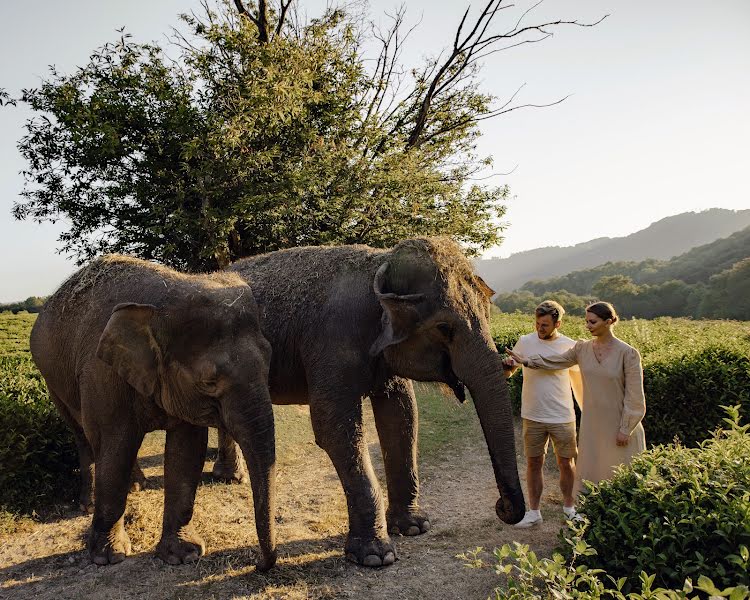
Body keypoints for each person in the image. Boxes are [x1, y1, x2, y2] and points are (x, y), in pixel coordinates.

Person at [506, 301, 646, 497]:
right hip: (592, 424)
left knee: (622, 477)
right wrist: (528, 361)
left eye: (593, 322)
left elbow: (635, 397)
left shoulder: (628, 353)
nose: (587, 326)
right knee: (593, 476)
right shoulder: (582, 349)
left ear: (609, 321)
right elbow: (557, 360)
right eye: (586, 321)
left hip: (619, 424)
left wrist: (626, 428)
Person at [503, 300, 583, 528]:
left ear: (558, 323)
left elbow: (585, 373)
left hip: (562, 415)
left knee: (566, 463)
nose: (540, 328)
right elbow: (510, 372)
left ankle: (569, 508)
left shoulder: (569, 346)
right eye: (537, 323)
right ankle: (534, 512)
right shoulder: (526, 342)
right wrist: (508, 366)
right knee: (533, 463)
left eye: (545, 325)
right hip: (533, 414)